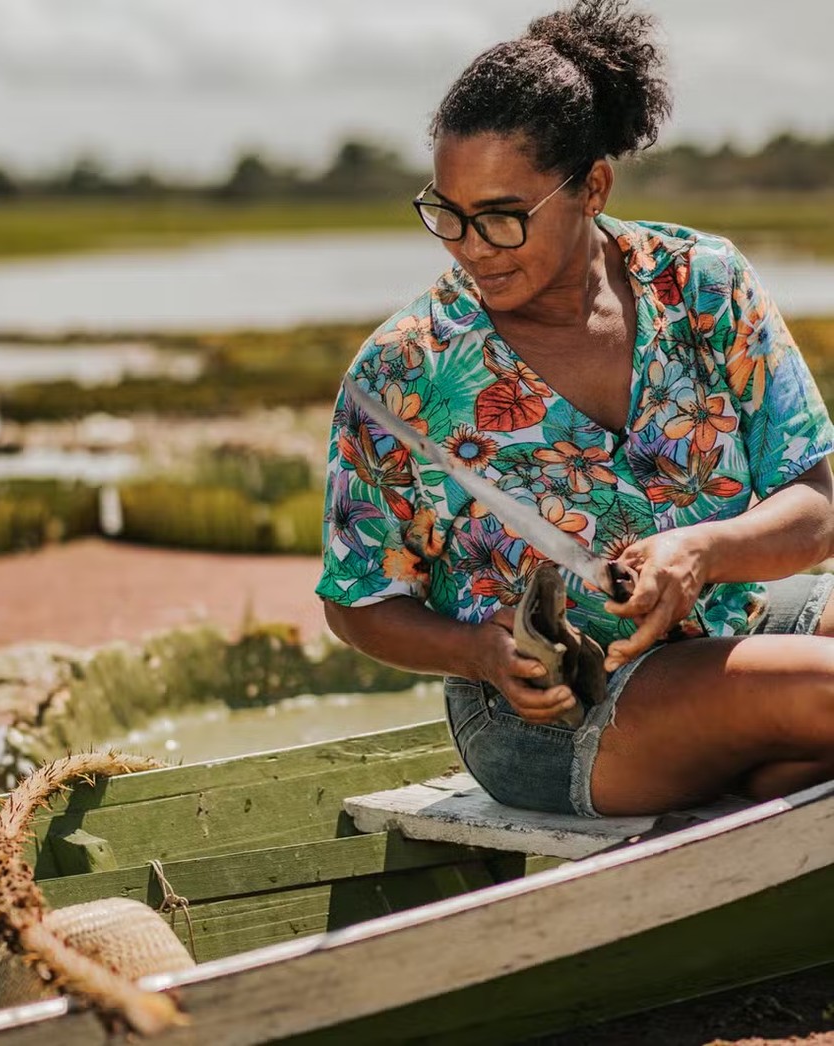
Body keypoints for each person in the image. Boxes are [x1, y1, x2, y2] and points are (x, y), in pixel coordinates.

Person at [315, 0, 834, 818]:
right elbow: (355, 600)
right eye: (447, 214)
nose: (469, 246)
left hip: (733, 625)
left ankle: (765, 768)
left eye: (501, 217)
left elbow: (816, 504)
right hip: (553, 715)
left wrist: (700, 552)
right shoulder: (404, 371)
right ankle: (770, 753)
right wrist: (479, 654)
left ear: (592, 186)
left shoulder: (704, 284)